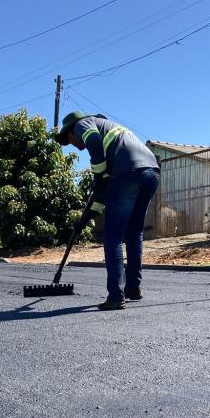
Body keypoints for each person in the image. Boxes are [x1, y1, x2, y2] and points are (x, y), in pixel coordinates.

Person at [54, 111, 160, 310]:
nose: (74, 145)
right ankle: (133, 289)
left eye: (69, 140)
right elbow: (101, 196)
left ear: (71, 131)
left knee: (113, 236)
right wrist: (84, 220)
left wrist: (99, 174)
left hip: (128, 173)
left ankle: (115, 296)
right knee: (133, 231)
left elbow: (92, 140)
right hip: (151, 172)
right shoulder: (111, 135)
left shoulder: (83, 123)